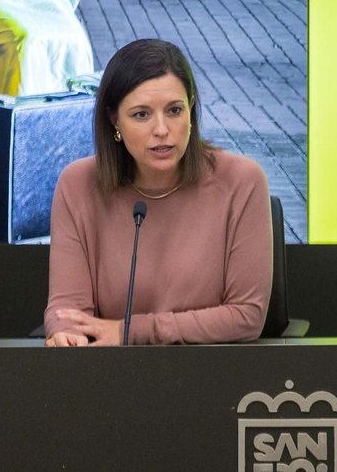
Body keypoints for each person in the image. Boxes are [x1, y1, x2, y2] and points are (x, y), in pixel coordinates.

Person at [43, 39, 271, 345]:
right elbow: (67, 310)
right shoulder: (78, 184)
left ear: (191, 108)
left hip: (217, 376)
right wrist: (66, 334)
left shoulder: (241, 181)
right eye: (141, 115)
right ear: (115, 121)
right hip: (112, 377)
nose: (162, 129)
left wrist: (130, 333)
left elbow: (247, 317)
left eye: (174, 110)